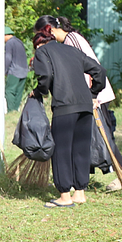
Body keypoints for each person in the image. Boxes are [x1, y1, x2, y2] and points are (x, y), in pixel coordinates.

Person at [34, 15, 121, 191]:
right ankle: (78, 184)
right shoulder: (67, 41)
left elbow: (80, 71)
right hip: (85, 97)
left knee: (103, 139)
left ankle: (117, 175)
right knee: (82, 142)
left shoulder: (70, 41)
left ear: (49, 30)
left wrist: (92, 94)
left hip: (90, 96)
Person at [30, 28, 106, 208]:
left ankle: (64, 196)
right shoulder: (72, 50)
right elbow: (99, 71)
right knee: (81, 148)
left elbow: (46, 75)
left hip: (64, 106)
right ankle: (79, 193)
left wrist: (40, 91)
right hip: (85, 106)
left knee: (62, 150)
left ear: (39, 43)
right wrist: (92, 93)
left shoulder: (43, 51)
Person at [4, 26, 28, 112]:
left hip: (15, 71)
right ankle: (16, 110)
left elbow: (8, 58)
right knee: (19, 92)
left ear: (5, 35)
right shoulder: (19, 42)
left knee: (9, 90)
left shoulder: (10, 43)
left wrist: (5, 71)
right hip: (24, 70)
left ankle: (11, 110)